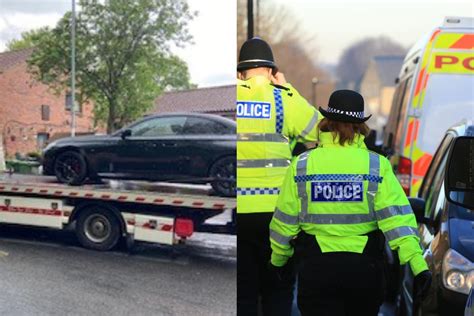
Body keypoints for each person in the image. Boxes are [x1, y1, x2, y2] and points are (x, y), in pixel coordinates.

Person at [268, 90, 432, 316]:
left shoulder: (302, 165)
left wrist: (278, 261)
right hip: (364, 273)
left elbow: (284, 221)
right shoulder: (377, 166)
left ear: (326, 123)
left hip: (317, 271)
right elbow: (398, 222)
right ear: (360, 127)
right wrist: (419, 266)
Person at [236, 37, 322, 316]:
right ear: (271, 71)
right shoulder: (283, 98)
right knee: (279, 289)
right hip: (279, 214)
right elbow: (322, 131)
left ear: (240, 73)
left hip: (240, 211)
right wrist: (288, 89)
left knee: (244, 291)